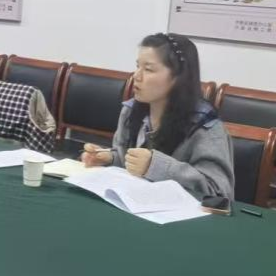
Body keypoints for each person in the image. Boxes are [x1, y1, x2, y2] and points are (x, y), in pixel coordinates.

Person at [81, 33, 234, 200]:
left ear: (178, 77)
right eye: (137, 66)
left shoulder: (206, 127)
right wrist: (110, 158)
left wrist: (156, 166)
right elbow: (128, 160)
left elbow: (220, 192)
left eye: (148, 69)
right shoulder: (131, 111)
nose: (136, 76)